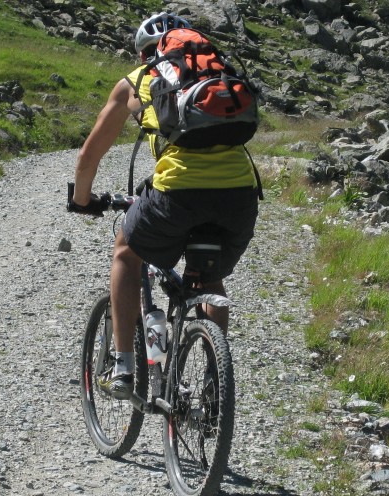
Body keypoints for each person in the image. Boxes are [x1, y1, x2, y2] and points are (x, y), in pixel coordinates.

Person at [72, 12, 260, 400]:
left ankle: (123, 367)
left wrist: (82, 200)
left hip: (178, 192)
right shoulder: (216, 76)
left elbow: (91, 154)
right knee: (207, 278)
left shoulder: (138, 81)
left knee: (126, 250)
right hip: (240, 195)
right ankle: (214, 382)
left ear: (148, 54)